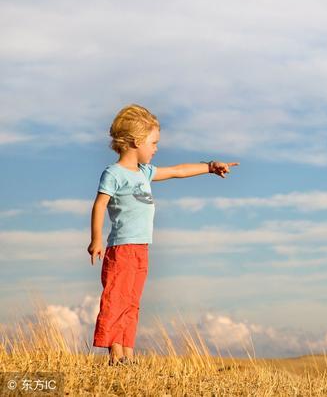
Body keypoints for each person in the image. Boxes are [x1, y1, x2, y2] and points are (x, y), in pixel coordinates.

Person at [87, 103, 238, 366]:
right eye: (153, 143)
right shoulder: (114, 173)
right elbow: (100, 204)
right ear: (136, 141)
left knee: (132, 302)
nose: (156, 149)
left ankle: (129, 355)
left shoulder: (144, 172)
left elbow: (178, 170)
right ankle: (116, 354)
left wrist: (210, 167)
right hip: (121, 249)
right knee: (117, 299)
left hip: (141, 249)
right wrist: (97, 239)